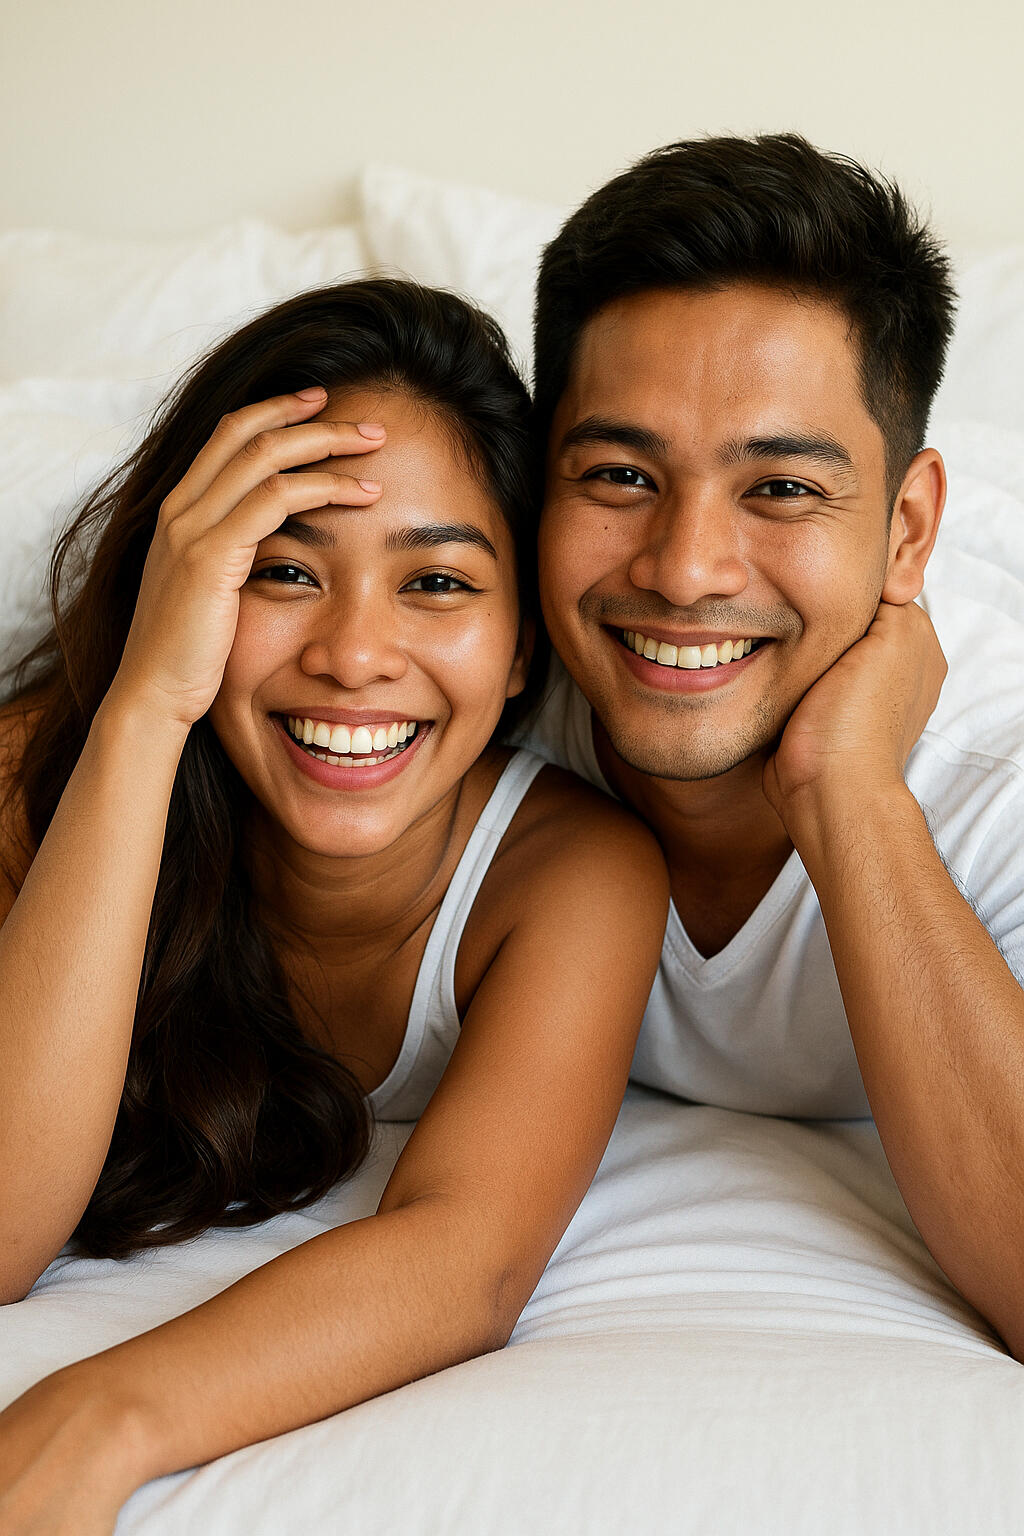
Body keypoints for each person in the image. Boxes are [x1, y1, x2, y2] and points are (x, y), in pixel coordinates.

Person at [0, 279, 668, 1528]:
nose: (356, 653)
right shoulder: (43, 778)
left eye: (438, 584)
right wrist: (146, 706)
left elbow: (465, 1260)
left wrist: (97, 1418)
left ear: (523, 641)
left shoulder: (569, 875)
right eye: (286, 570)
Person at [515, 132, 1024, 1360]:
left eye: (782, 489)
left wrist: (847, 791)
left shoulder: (996, 786)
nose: (685, 571)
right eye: (621, 475)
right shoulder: (449, 691)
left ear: (906, 532)